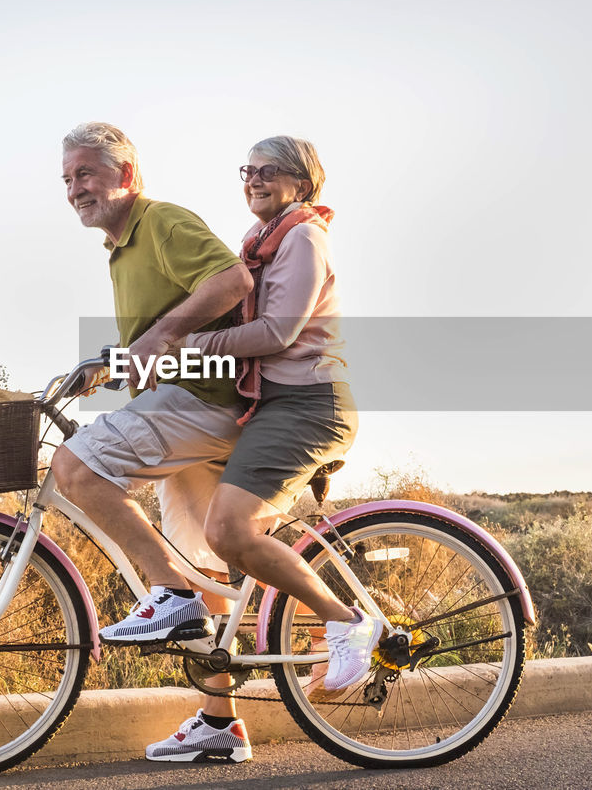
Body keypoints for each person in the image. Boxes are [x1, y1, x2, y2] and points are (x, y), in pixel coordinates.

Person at [144, 136, 365, 763]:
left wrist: (180, 345)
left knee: (230, 532)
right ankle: (218, 723)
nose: (255, 179)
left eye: (270, 171)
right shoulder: (258, 242)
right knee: (208, 550)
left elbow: (276, 331)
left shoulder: (303, 238)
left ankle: (344, 620)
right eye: (248, 170)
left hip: (307, 406)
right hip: (268, 409)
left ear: (303, 182)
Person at [49, 122, 254, 759]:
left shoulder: (160, 221)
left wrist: (161, 335)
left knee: (74, 465)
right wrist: (110, 361)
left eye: (85, 173)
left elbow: (232, 282)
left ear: (126, 174)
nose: (74, 188)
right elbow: (153, 340)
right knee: (209, 583)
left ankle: (164, 589)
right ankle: (220, 725)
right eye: (67, 179)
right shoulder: (120, 247)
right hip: (186, 408)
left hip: (206, 402)